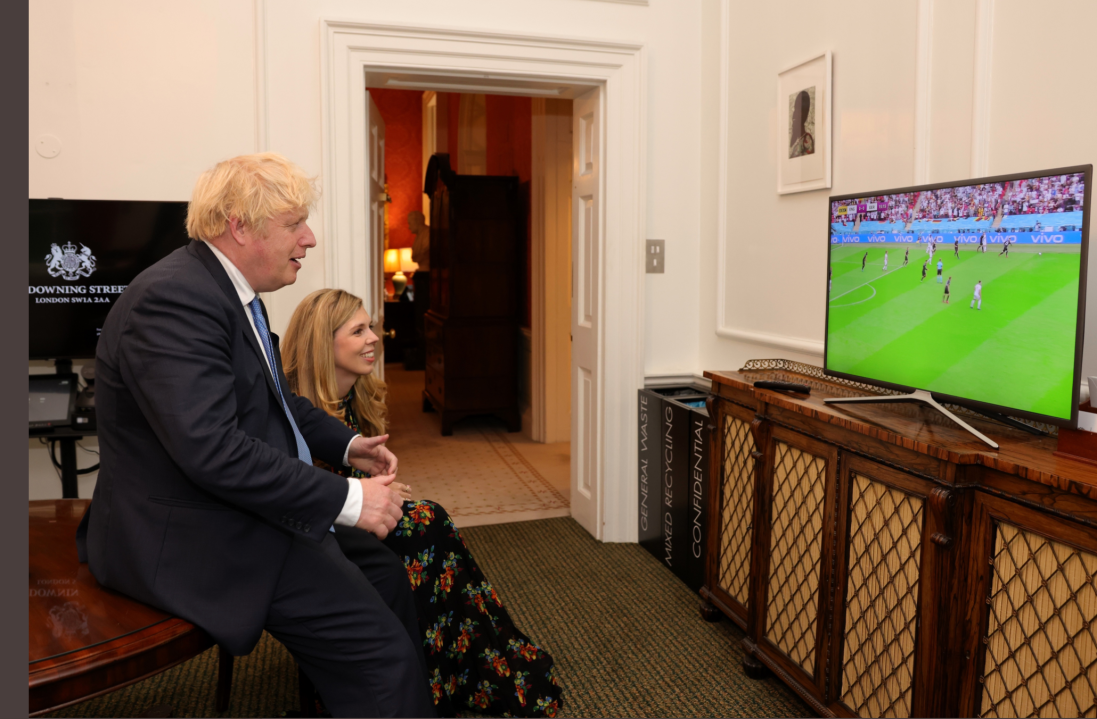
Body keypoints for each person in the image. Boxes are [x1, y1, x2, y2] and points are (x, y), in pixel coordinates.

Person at [76, 153, 435, 718]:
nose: (309, 238)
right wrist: (349, 498)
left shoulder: (227, 291)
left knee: (386, 573)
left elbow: (276, 401)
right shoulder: (174, 300)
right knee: (383, 661)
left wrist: (345, 446)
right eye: (295, 224)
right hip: (199, 532)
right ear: (239, 226)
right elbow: (212, 451)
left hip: (244, 508)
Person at [283, 288, 564, 719]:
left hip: (359, 527)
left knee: (431, 525)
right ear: (323, 343)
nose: (373, 338)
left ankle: (449, 667)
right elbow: (304, 496)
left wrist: (381, 492)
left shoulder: (356, 397)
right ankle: (451, 668)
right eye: (358, 331)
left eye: (370, 327)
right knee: (429, 525)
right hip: (320, 539)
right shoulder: (295, 411)